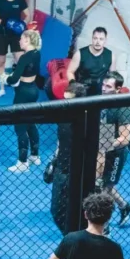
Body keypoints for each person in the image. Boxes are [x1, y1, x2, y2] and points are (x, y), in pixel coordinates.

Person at [45, 82, 88, 235]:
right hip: (62, 168)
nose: (64, 103)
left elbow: (105, 146)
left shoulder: (95, 116)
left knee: (79, 211)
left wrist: (97, 175)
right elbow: (60, 140)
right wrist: (54, 159)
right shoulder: (63, 116)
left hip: (82, 170)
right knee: (56, 210)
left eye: (68, 101)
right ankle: (70, 240)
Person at [98, 72, 130, 227]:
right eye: (103, 84)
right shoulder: (103, 100)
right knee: (103, 184)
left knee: (104, 190)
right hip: (104, 146)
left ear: (118, 89)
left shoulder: (123, 108)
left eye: (108, 86)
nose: (104, 88)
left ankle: (103, 226)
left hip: (117, 153)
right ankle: (124, 207)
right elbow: (105, 127)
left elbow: (124, 139)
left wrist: (103, 144)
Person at [6, 29, 42, 173]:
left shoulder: (24, 57)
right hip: (33, 90)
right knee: (31, 123)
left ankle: (22, 161)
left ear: (27, 40)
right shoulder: (37, 54)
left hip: (23, 92)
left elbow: (14, 79)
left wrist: (6, 78)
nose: (19, 41)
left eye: (21, 38)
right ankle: (35, 155)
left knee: (20, 126)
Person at [66, 26, 115, 96]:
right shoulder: (80, 54)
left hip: (98, 95)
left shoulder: (111, 56)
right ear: (92, 38)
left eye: (101, 39)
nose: (98, 42)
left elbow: (112, 77)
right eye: (95, 38)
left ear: (105, 40)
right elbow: (70, 71)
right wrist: (73, 83)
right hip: (81, 92)